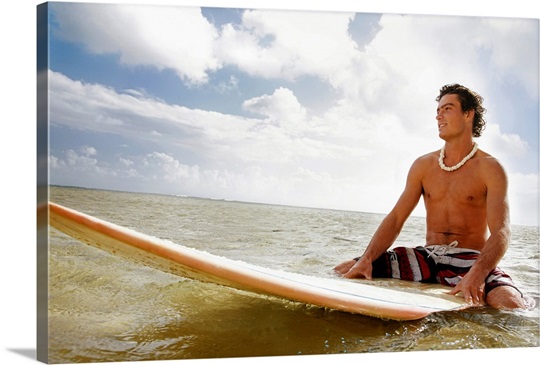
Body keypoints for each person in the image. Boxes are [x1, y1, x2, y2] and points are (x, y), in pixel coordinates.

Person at [334, 84, 533, 310]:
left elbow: (501, 231)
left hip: (469, 260)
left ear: (468, 114)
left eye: (447, 108)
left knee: (511, 304)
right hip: (427, 258)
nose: (438, 115)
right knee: (344, 269)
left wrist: (477, 274)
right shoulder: (423, 165)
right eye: (438, 110)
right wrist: (367, 258)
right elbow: (397, 217)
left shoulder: (490, 168)